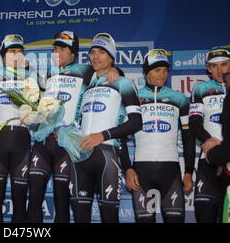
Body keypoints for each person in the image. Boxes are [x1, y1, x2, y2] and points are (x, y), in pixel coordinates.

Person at [27, 31, 121, 223]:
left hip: (66, 144)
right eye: (54, 48)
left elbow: (107, 72)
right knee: (34, 198)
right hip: (43, 141)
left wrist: (117, 71)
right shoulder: (50, 73)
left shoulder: (86, 70)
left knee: (62, 202)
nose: (56, 52)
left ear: (73, 53)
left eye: (62, 48)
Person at [69, 32, 142, 223]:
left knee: (109, 218)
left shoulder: (123, 83)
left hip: (108, 156)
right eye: (92, 52)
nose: (95, 56)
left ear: (111, 57)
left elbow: (136, 122)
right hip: (80, 157)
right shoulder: (86, 85)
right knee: (79, 218)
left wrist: (102, 135)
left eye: (101, 52)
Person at [122, 49, 195, 223]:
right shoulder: (133, 98)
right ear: (146, 72)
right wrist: (127, 168)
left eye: (165, 70)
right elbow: (121, 137)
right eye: (157, 70)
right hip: (141, 172)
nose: (162, 74)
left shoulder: (179, 99)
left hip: (171, 172)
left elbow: (188, 137)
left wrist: (189, 172)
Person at [0, 34, 35, 223]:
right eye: (12, 51)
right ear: (3, 55)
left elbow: (46, 100)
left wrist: (29, 68)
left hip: (22, 140)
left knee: (20, 200)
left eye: (20, 51)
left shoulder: (31, 77)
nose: (16, 55)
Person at [189, 46, 230, 223]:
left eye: (224, 64)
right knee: (204, 215)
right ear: (208, 68)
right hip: (209, 159)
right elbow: (194, 123)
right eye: (214, 66)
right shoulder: (200, 89)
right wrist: (208, 140)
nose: (220, 70)